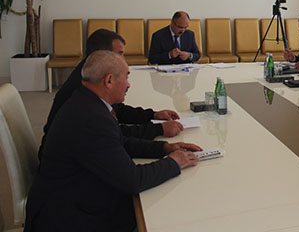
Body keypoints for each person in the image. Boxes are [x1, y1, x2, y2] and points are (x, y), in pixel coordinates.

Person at [25, 51, 201, 231]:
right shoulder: (92, 119)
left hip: (74, 192)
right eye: (126, 77)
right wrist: (174, 162)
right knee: (156, 212)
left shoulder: (86, 100)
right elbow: (133, 180)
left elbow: (119, 141)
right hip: (67, 215)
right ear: (109, 80)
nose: (128, 84)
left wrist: (165, 148)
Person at [39, 29, 183, 161]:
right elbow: (114, 134)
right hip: (66, 166)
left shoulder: (89, 75)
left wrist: (153, 115)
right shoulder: (83, 93)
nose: (123, 60)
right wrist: (158, 130)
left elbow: (117, 112)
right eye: (119, 54)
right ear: (102, 56)